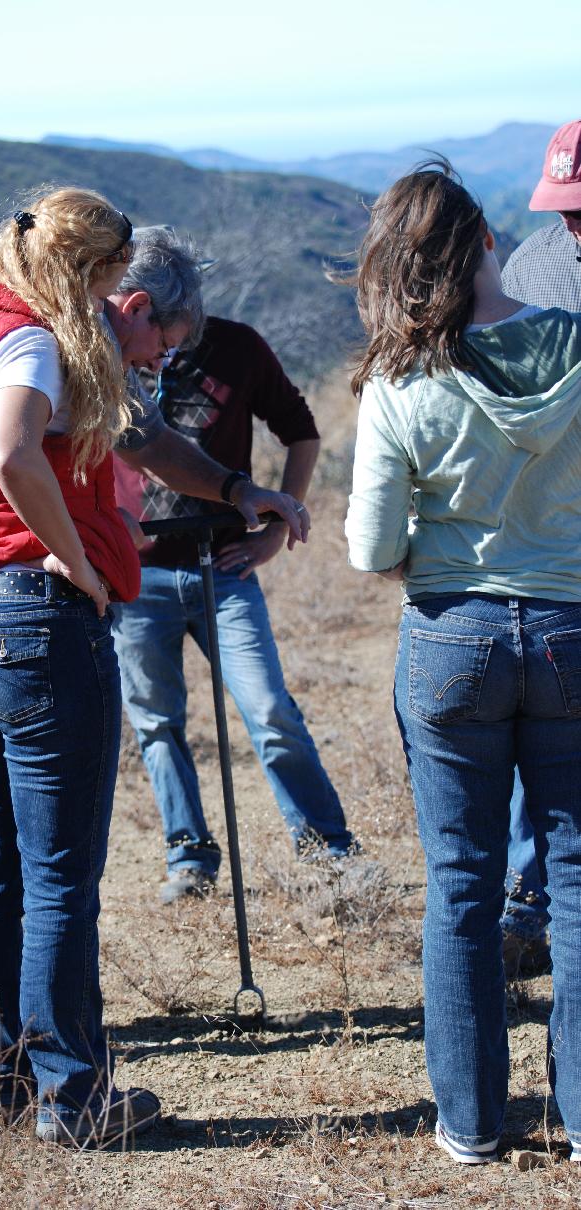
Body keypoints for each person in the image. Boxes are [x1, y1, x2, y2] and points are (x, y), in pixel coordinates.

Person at [0, 194, 308, 1144]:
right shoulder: (34, 342)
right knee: (59, 877)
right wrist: (76, 557)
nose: (113, 302)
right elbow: (14, 451)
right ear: (91, 273)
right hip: (36, 628)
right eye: (110, 281)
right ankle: (75, 1097)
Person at [345, 162, 581, 1165]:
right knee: (575, 884)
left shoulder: (401, 385)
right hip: (573, 630)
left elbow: (368, 550)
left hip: (451, 639)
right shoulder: (577, 346)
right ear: (489, 243)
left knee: (463, 885)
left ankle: (471, 1123)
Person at [112, 313, 355, 903]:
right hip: (137, 576)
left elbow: (301, 430)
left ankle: (328, 853)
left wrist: (275, 528)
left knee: (270, 710)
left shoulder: (237, 345)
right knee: (155, 722)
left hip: (224, 566)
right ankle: (189, 856)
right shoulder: (102, 356)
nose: (168, 344)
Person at [497, 118, 581, 974]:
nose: (575, 224)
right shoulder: (530, 262)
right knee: (552, 741)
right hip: (553, 538)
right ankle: (528, 902)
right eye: (565, 206)